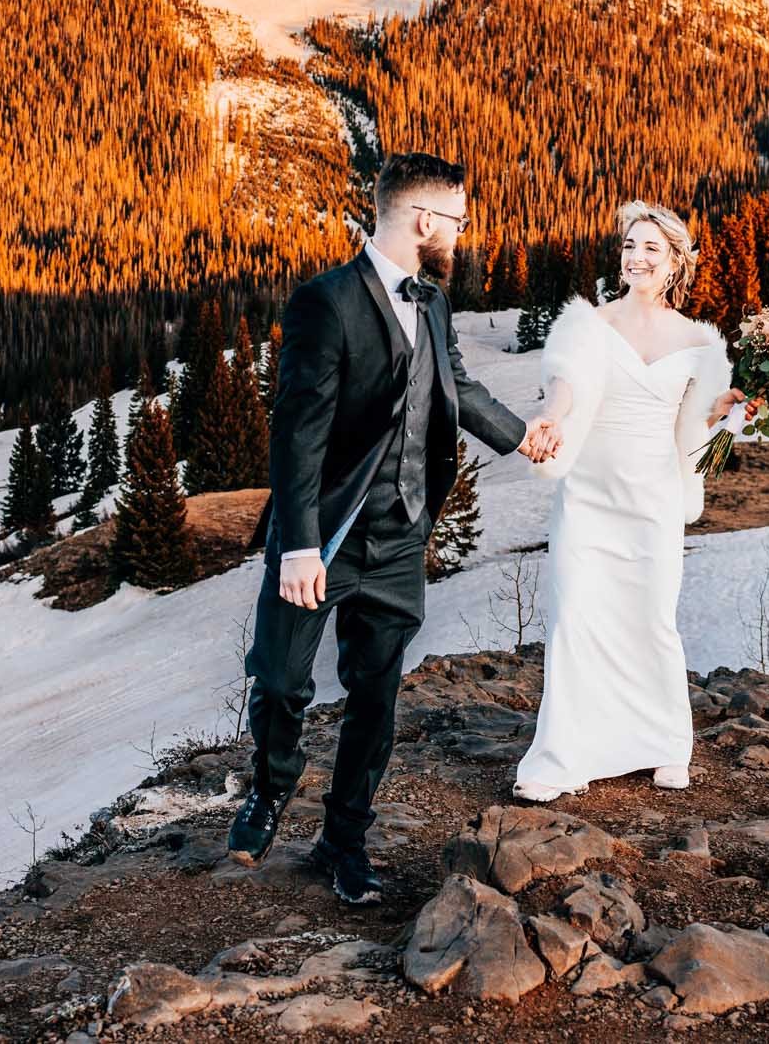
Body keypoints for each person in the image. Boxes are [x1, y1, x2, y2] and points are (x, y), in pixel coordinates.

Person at [230, 152, 561, 903]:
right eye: (457, 222)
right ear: (422, 220)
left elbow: (455, 384)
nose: (461, 236)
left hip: (401, 535)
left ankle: (344, 838)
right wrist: (301, 542)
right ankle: (269, 789)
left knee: (375, 698)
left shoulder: (435, 302)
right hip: (325, 533)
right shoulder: (326, 301)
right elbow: (297, 432)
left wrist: (520, 436)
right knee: (281, 682)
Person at [512, 201, 740, 801]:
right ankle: (564, 756)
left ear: (675, 264)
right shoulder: (589, 323)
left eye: (651, 250)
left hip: (655, 498)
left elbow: (694, 430)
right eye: (629, 247)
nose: (636, 258)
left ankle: (664, 744)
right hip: (588, 495)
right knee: (576, 617)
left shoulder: (700, 343)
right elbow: (566, 383)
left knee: (652, 620)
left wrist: (731, 410)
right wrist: (549, 415)